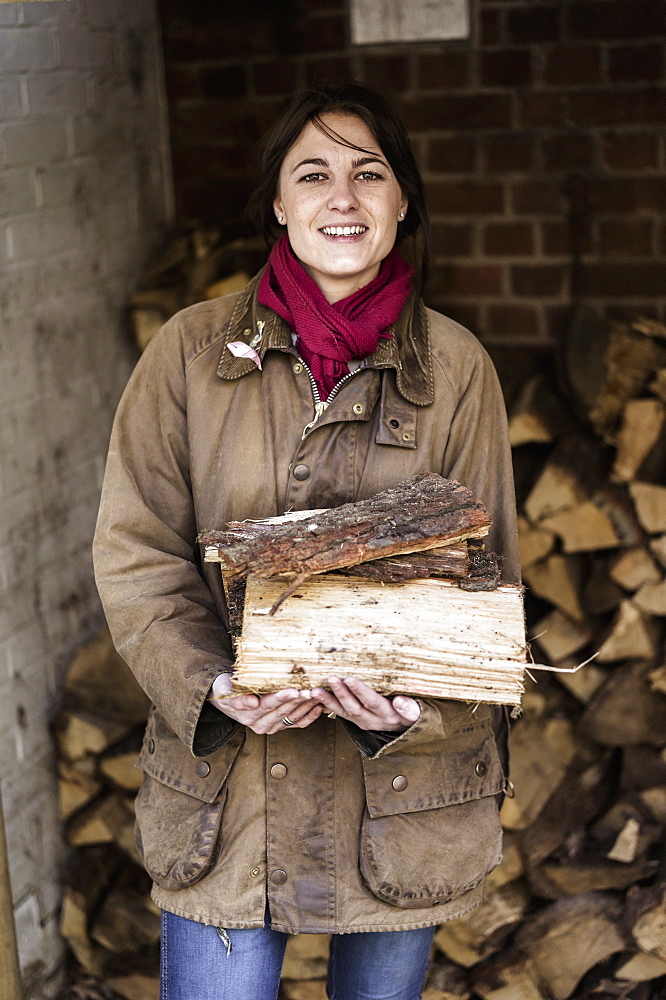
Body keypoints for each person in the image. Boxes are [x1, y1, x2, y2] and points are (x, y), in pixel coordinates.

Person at [93, 82, 520, 1000]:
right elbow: (137, 552)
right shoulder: (188, 353)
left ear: (403, 201)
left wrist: (413, 712)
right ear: (279, 204)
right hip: (228, 799)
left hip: (396, 804)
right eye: (313, 174)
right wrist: (210, 682)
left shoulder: (455, 371)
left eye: (370, 174)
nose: (344, 197)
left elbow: (490, 585)